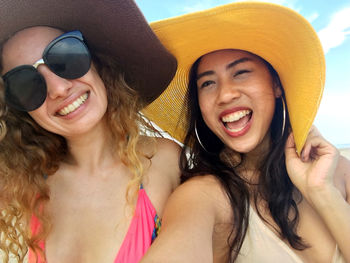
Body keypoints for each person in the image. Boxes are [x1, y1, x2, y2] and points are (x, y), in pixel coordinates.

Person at [141, 2, 350, 263]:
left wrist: (322, 191)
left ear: (276, 84)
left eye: (241, 72)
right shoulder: (203, 196)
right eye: (207, 83)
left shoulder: (337, 171)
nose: (225, 93)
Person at [0, 0, 180, 262]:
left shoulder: (166, 160)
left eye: (65, 56)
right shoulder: (24, 187)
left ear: (96, 62)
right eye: (25, 84)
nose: (58, 89)